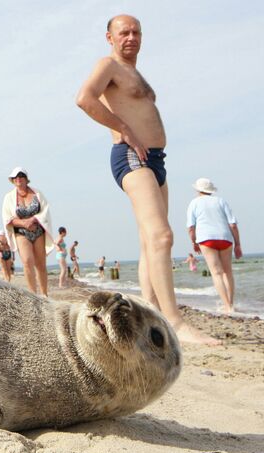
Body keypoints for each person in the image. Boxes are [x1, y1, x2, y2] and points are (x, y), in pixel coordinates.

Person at [76, 14, 218, 345]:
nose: (131, 37)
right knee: (162, 236)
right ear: (109, 37)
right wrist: (124, 129)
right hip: (130, 155)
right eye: (123, 32)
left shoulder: (135, 73)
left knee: (148, 242)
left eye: (136, 31)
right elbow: (84, 98)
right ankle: (175, 323)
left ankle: (150, 313)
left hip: (156, 160)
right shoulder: (107, 65)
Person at [187, 178, 243, 313]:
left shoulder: (194, 203)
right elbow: (233, 224)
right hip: (225, 238)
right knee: (227, 272)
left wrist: (194, 242)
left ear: (198, 190)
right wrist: (238, 244)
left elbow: (191, 227)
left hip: (206, 239)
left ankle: (226, 306)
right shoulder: (221, 201)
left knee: (216, 273)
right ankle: (231, 303)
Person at [1, 167, 54, 296]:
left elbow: (45, 211)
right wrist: (24, 223)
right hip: (21, 232)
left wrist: (34, 219)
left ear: (26, 179)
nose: (18, 179)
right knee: (27, 261)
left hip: (38, 231)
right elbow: (7, 217)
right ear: (13, 181)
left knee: (41, 264)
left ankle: (44, 294)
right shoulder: (9, 197)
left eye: (21, 176)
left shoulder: (37, 194)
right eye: (15, 177)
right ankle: (33, 295)